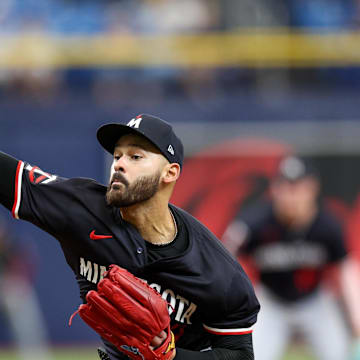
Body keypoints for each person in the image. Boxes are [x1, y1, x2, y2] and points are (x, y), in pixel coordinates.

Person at [0, 114, 260, 360]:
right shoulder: (82, 210)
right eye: (117, 156)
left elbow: (238, 355)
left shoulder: (217, 271)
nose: (120, 164)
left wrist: (171, 356)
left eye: (136, 156)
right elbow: (10, 177)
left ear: (169, 173)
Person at [222, 155, 360, 360]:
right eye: (285, 187)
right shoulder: (255, 222)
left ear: (312, 189)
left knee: (339, 354)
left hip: (315, 302)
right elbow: (223, 258)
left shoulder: (328, 226)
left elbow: (346, 271)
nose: (291, 196)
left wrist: (356, 320)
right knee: (251, 356)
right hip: (271, 302)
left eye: (298, 188)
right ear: (275, 189)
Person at [0, 219, 54, 360]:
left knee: (20, 298)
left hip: (10, 285)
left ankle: (34, 355)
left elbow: (26, 262)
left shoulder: (12, 245)